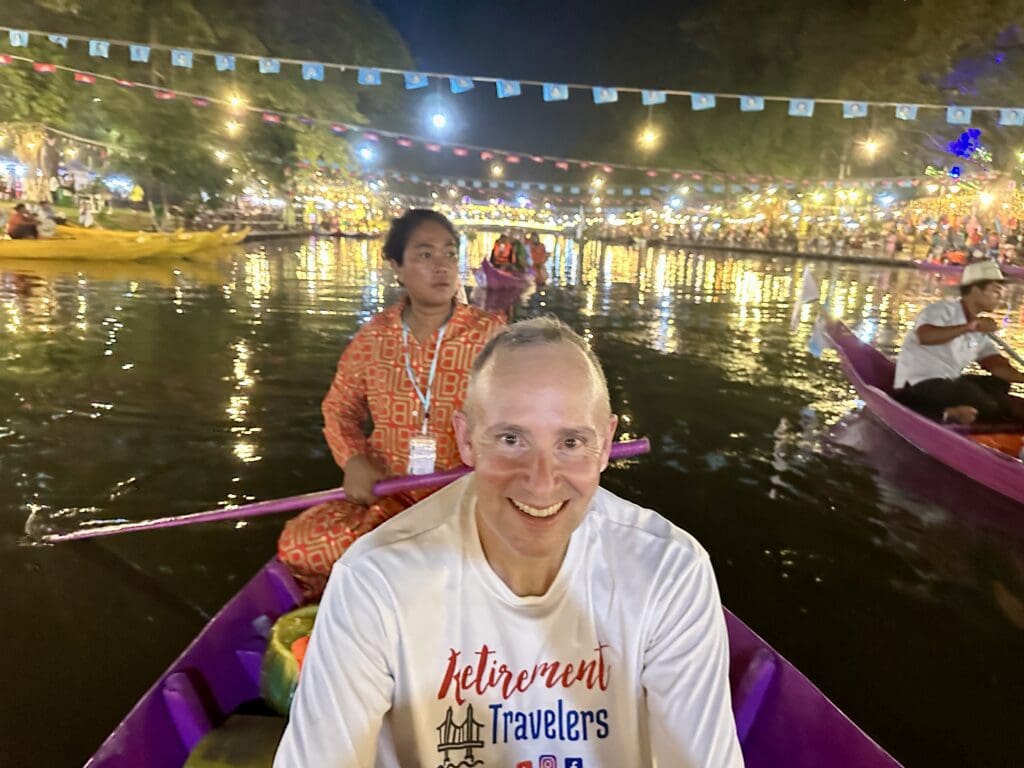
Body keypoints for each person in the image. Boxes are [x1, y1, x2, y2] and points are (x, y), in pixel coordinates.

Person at [275, 317, 743, 768]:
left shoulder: (669, 573)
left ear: (605, 446)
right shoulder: (375, 581)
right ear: (466, 439)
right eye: (511, 438)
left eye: (571, 443)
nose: (541, 482)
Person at [277, 209, 504, 598]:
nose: (442, 267)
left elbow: (525, 413)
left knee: (482, 556)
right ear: (397, 266)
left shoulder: (491, 335)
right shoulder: (373, 338)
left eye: (449, 253)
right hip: (389, 497)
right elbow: (339, 410)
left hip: (467, 499)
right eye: (424, 255)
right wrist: (353, 460)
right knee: (297, 544)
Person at [894, 261, 1024, 424]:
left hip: (948, 384)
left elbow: (995, 365)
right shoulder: (941, 310)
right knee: (987, 404)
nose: (1001, 297)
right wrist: (969, 327)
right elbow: (926, 336)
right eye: (995, 291)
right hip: (916, 386)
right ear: (976, 290)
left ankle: (970, 410)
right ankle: (947, 413)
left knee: (999, 385)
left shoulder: (979, 329)